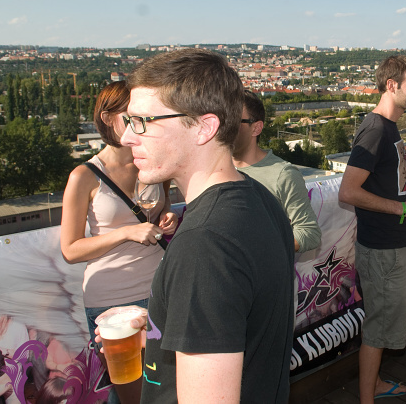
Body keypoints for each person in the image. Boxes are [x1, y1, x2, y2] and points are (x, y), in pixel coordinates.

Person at [119, 49, 295, 402]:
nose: (126, 137)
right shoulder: (259, 199)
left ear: (204, 126)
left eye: (142, 121)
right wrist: (162, 323)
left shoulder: (205, 245)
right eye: (128, 121)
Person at [59, 81, 178, 404]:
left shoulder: (152, 164)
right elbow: (70, 249)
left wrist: (167, 219)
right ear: (107, 118)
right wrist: (126, 233)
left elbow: (161, 209)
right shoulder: (84, 176)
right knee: (128, 389)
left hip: (158, 288)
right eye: (131, 117)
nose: (138, 126)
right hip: (111, 298)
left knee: (161, 385)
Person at [338, 55, 406, 402]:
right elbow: (348, 191)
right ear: (391, 86)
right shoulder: (376, 129)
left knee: (383, 323)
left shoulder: (388, 127)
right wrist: (402, 208)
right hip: (382, 250)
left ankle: (374, 385)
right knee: (377, 330)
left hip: (394, 246)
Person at [232, 90, 322, 255]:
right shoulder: (213, 168)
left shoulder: (283, 174)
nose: (224, 128)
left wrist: (254, 251)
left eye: (233, 121)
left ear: (256, 128)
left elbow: (309, 233)